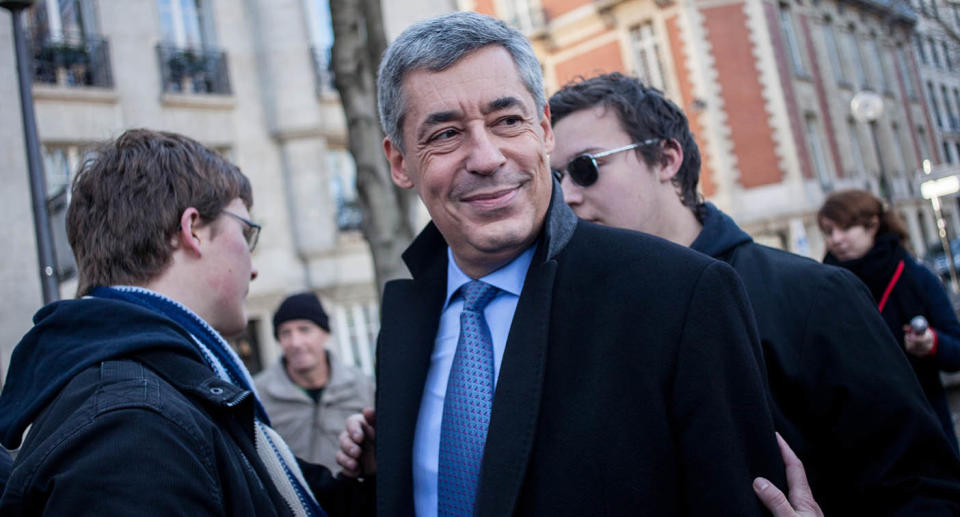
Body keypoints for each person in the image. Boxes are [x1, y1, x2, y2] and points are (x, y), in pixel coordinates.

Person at [341, 12, 786, 516]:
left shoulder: (681, 297)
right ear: (400, 162)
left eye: (508, 121)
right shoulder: (406, 317)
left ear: (545, 129)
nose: (486, 157)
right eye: (445, 133)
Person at [547, 73, 960, 514]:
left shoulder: (811, 295)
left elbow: (926, 489)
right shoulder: (574, 320)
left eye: (585, 168)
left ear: (667, 159)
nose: (567, 195)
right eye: (555, 179)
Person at [0, 129, 369, 516]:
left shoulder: (159, 393)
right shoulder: (133, 428)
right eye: (246, 233)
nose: (254, 267)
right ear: (192, 230)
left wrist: (372, 477)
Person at [819, 189, 960, 453]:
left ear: (872, 225)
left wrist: (931, 343)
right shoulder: (823, 285)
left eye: (845, 228)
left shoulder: (916, 277)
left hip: (924, 429)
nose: (836, 239)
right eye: (828, 232)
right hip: (861, 436)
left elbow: (956, 350)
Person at [255, 292, 374, 470]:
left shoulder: (364, 386)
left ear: (325, 333)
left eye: (304, 329)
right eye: (285, 333)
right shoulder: (258, 394)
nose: (295, 342)